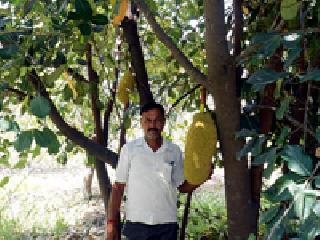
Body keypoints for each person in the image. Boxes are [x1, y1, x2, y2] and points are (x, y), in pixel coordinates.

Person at [105, 102, 203, 240]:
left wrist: (202, 177)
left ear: (163, 122)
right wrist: (111, 224)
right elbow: (118, 188)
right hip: (137, 225)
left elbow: (182, 186)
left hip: (167, 226)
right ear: (141, 123)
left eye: (157, 120)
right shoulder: (130, 150)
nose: (153, 125)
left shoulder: (174, 151)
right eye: (148, 120)